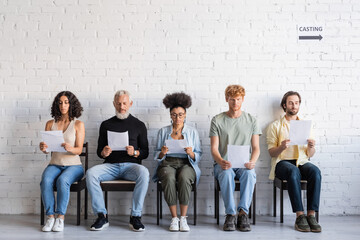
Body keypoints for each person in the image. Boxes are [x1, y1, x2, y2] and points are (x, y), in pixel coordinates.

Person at [86, 90, 149, 232]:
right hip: (110, 166)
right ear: (114, 104)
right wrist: (104, 152)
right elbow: (99, 151)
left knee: (144, 172)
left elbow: (145, 152)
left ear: (130, 104)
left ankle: (135, 217)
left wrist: (135, 153)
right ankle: (102, 215)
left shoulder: (139, 125)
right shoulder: (106, 124)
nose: (122, 107)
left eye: (125, 103)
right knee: (91, 173)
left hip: (131, 166)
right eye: (119, 103)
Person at [266, 91, 321, 232]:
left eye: (296, 103)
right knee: (292, 170)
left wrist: (311, 147)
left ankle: (311, 215)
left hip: (301, 161)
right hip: (282, 162)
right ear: (284, 105)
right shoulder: (275, 126)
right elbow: (271, 152)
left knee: (315, 171)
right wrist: (282, 147)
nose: (294, 105)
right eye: (290, 103)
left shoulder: (305, 126)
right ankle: (300, 216)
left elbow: (310, 155)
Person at [210, 85, 261, 232]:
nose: (235, 103)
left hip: (244, 164)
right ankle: (230, 214)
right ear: (227, 99)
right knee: (225, 174)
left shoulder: (251, 120)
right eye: (232, 100)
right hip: (224, 164)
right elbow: (214, 149)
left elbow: (256, 148)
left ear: (243, 99)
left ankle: (243, 213)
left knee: (250, 174)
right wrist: (221, 161)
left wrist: (253, 162)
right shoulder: (217, 120)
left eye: (238, 99)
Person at [153, 92, 202, 232]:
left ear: (185, 115)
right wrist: (162, 152)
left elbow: (199, 153)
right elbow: (156, 153)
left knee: (184, 177)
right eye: (174, 114)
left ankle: (183, 218)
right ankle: (174, 218)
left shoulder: (192, 132)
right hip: (167, 163)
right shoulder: (163, 131)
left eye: (180, 114)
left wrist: (191, 153)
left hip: (187, 163)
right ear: (170, 115)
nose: (177, 117)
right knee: (168, 177)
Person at [39, 91, 85, 232]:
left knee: (62, 181)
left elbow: (78, 150)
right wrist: (44, 148)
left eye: (66, 102)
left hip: (74, 166)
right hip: (55, 164)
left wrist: (71, 148)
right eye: (60, 102)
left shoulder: (78, 124)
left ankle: (60, 218)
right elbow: (48, 149)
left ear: (71, 104)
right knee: (45, 180)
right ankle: (50, 217)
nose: (63, 105)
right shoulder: (50, 124)